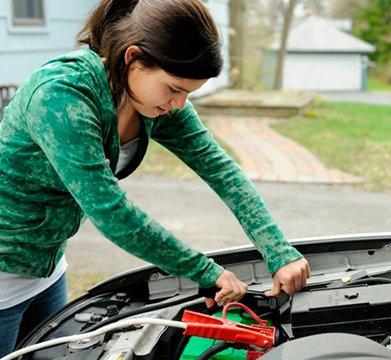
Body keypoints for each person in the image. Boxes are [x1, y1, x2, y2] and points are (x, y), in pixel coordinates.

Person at [0, 0, 310, 355]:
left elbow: (221, 170)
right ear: (134, 58)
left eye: (188, 93)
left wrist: (279, 251)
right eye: (174, 89)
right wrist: (205, 271)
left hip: (48, 267)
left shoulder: (154, 101)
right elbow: (111, 212)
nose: (179, 104)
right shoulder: (61, 96)